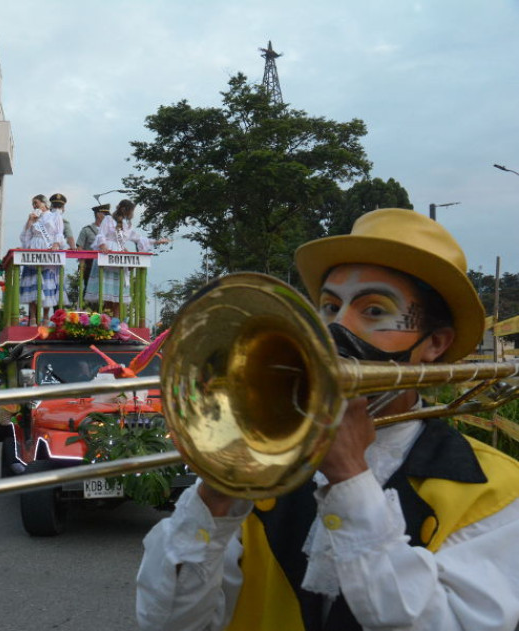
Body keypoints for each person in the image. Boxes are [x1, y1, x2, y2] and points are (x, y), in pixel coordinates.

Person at [135, 208, 519, 630]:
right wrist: (216, 493)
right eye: (329, 307)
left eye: (374, 311)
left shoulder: (497, 489)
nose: (335, 330)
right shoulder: (267, 469)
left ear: (435, 344)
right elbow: (168, 623)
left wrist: (351, 480)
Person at [84, 199, 168, 314]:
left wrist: (157, 241)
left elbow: (139, 238)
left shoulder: (127, 225)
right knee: (106, 296)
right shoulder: (108, 219)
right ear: (124, 210)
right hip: (107, 255)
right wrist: (103, 245)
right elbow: (101, 235)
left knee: (119, 294)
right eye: (132, 211)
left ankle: (116, 323)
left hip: (120, 257)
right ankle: (106, 322)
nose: (132, 214)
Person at [19, 194, 64, 323]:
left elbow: (59, 233)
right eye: (33, 204)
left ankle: (45, 317)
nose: (34, 206)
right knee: (33, 283)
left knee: (47, 283)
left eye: (36, 203)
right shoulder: (34, 218)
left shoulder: (55, 216)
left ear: (44, 204)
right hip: (34, 247)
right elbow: (25, 237)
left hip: (48, 249)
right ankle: (33, 317)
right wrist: (30, 221)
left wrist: (56, 244)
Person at [77, 203, 111, 291]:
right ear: (98, 215)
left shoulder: (111, 231)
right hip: (90, 265)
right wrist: (82, 265)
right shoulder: (86, 230)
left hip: (107, 265)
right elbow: (80, 248)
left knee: (106, 290)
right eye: (105, 214)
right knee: (89, 289)